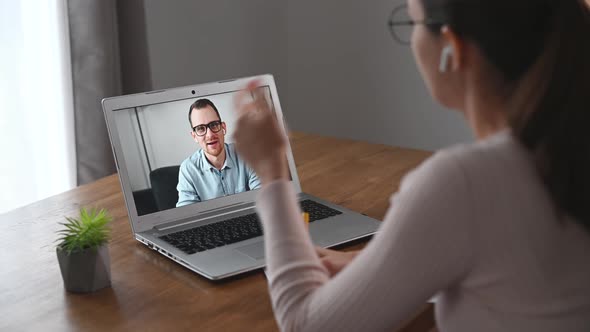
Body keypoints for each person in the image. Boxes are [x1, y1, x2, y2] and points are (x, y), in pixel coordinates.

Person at [232, 0, 590, 331]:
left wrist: (271, 171)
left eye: (412, 22)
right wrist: (374, 266)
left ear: (451, 46)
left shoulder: (465, 182)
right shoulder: (562, 148)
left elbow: (305, 322)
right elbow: (513, 270)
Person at [176, 98, 260, 207]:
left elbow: (265, 198)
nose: (210, 135)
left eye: (214, 125)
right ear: (194, 136)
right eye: (201, 129)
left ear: (223, 127)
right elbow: (186, 216)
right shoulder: (187, 170)